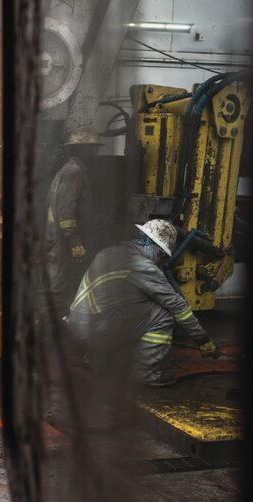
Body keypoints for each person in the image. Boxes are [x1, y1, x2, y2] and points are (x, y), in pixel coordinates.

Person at [65, 219, 220, 387]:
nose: (162, 261)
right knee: (165, 313)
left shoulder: (108, 252)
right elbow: (177, 306)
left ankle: (95, 358)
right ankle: (144, 373)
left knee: (121, 306)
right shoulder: (144, 267)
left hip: (77, 326)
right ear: (159, 250)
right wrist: (202, 339)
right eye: (162, 256)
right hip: (98, 330)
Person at [44, 125, 101, 318]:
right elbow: (66, 212)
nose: (96, 151)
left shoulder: (67, 170)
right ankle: (49, 326)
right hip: (63, 240)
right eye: (92, 147)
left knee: (61, 282)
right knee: (59, 284)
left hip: (58, 237)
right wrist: (75, 242)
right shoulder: (74, 172)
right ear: (81, 149)